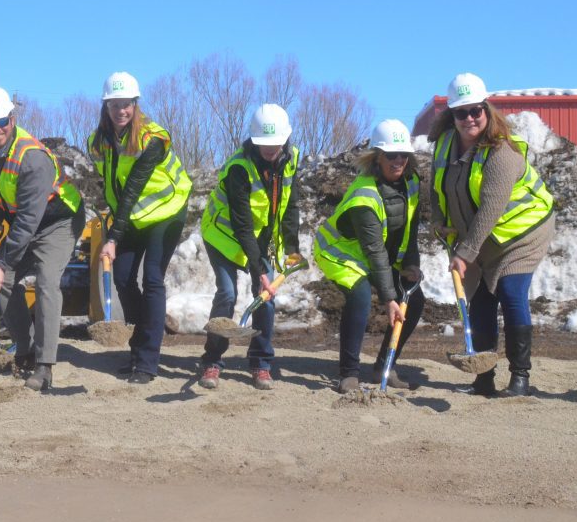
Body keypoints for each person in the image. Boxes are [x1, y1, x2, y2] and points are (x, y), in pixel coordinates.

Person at [430, 73, 555, 396]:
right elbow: (436, 186)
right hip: (478, 236)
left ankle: (520, 377)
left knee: (511, 292)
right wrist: (441, 221)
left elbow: (491, 209)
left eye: (476, 110)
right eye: (461, 112)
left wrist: (464, 253)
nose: (469, 118)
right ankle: (483, 378)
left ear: (487, 110)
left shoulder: (502, 152)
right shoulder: (445, 145)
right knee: (480, 301)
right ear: (452, 115)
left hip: (521, 232)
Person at [0, 85, 85, 392]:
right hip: (25, 221)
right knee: (4, 284)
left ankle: (45, 366)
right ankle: (26, 349)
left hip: (58, 220)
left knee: (47, 282)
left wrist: (4, 261)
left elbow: (29, 221)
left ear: (12, 117)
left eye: (2, 121)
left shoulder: (32, 157)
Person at [88, 72, 192, 384]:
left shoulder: (153, 138)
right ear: (106, 106)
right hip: (132, 216)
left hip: (167, 212)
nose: (121, 110)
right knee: (121, 277)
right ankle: (137, 345)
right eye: (114, 105)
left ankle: (147, 361)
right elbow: (110, 185)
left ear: (136, 105)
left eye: (127, 105)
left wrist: (113, 237)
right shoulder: (99, 143)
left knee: (153, 279)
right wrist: (109, 219)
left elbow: (133, 187)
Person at [197, 104, 302, 391]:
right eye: (263, 144)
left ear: (285, 139)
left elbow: (290, 207)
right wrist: (259, 272)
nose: (270, 150)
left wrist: (291, 248)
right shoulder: (239, 169)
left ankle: (260, 363)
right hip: (223, 236)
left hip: (260, 241)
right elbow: (242, 224)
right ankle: (212, 360)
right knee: (228, 294)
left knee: (266, 299)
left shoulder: (290, 161)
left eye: (275, 143)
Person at [314, 119, 424, 393]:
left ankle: (384, 366)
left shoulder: (411, 182)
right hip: (341, 254)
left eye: (403, 155)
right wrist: (389, 299)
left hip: (381, 255)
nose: (398, 160)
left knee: (415, 299)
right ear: (377, 157)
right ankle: (349, 373)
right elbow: (373, 250)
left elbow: (411, 227)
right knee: (361, 295)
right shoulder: (364, 196)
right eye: (390, 155)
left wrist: (411, 263)